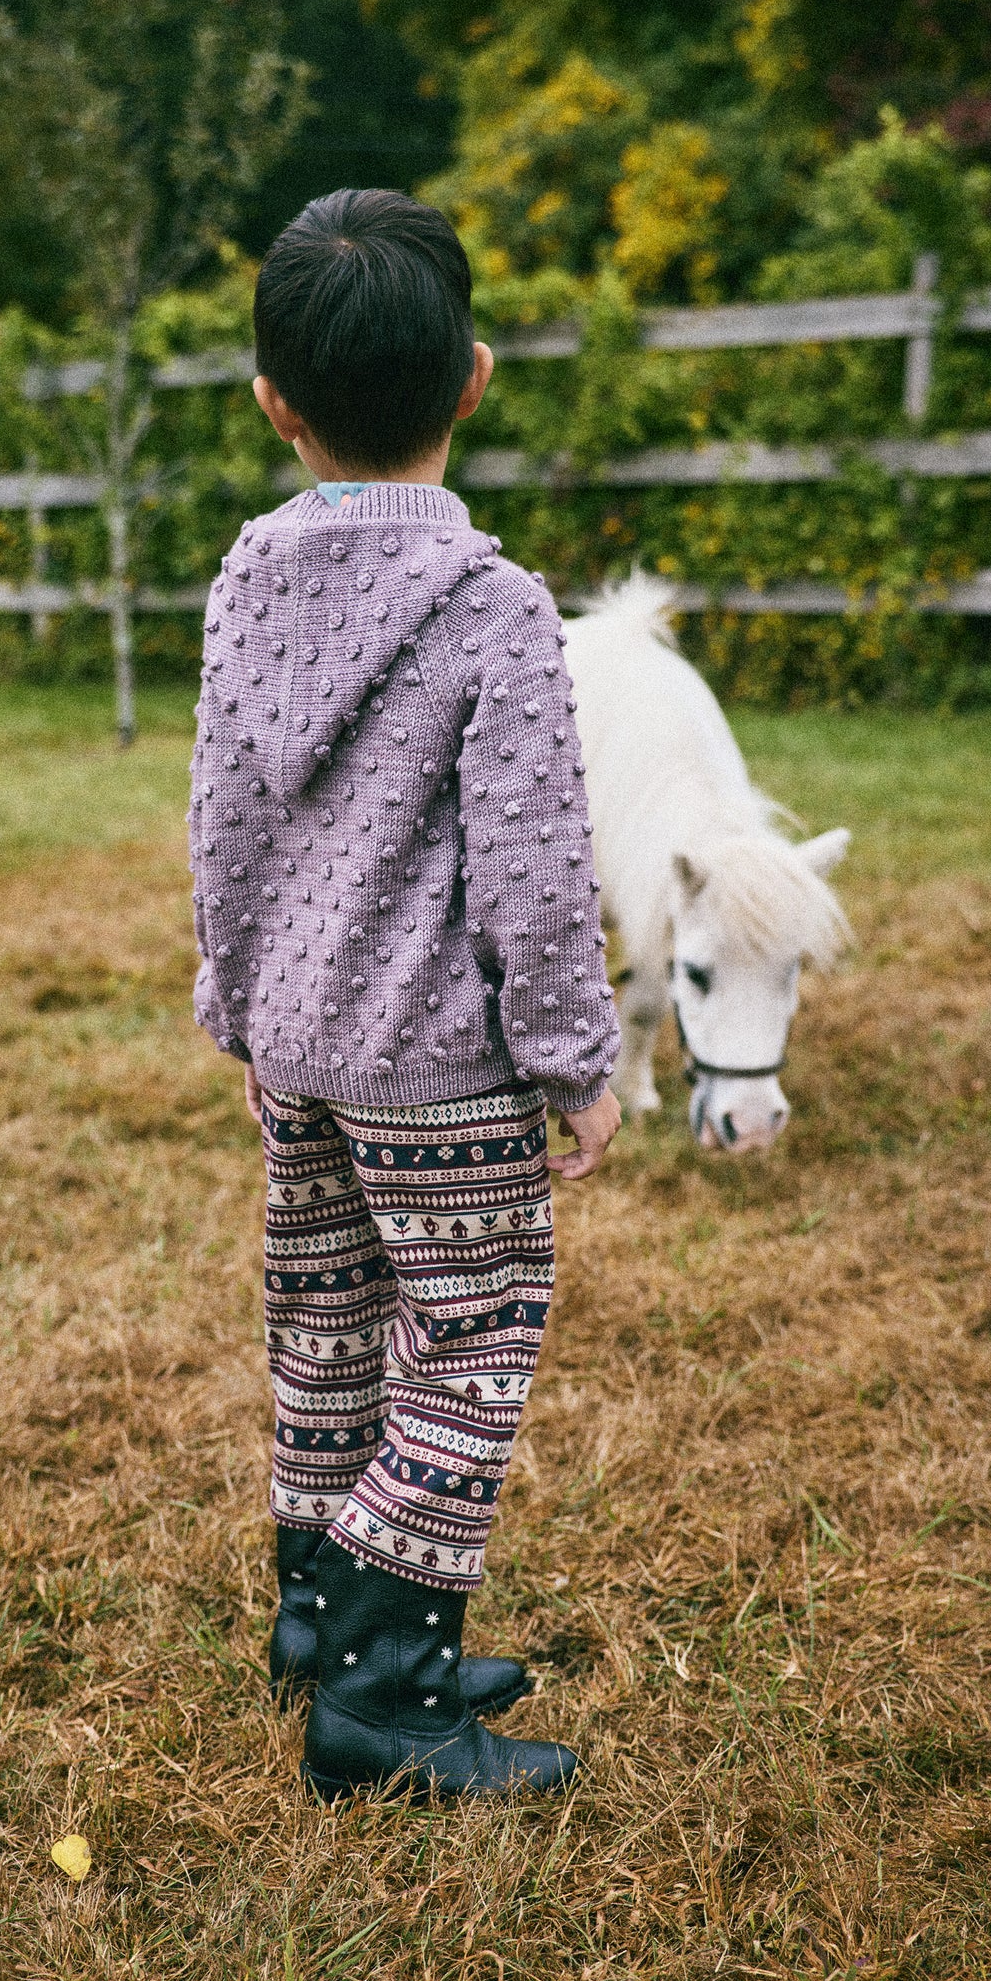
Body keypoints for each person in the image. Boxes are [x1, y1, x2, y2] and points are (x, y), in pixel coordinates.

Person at [188, 188, 622, 1801]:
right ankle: (380, 1692)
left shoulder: (244, 574)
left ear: (271, 406)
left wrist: (235, 1003)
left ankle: (321, 1615)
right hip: (436, 1067)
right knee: (473, 1334)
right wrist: (574, 1056)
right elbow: (531, 854)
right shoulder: (490, 603)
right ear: (475, 379)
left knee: (323, 1317)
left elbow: (222, 811)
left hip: (298, 1042)